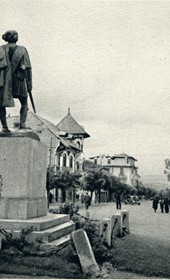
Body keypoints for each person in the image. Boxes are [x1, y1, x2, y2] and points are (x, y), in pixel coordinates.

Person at [0, 30, 32, 132]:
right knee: (24, 103)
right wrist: (30, 83)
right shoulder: (22, 50)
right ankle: (22, 124)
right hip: (18, 80)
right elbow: (28, 68)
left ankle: (5, 126)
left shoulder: (1, 49)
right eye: (15, 34)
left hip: (5, 81)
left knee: (1, 104)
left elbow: (27, 67)